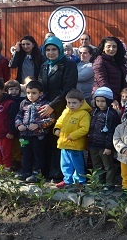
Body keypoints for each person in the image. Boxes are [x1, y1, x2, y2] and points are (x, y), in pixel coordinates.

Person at [39, 36, 78, 181]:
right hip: (45, 108)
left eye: (54, 49)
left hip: (61, 108)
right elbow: (40, 86)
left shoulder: (68, 64)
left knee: (59, 140)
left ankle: (58, 173)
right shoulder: (44, 65)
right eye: (48, 50)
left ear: (60, 49)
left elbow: (68, 88)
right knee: (45, 140)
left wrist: (52, 106)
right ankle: (44, 171)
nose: (51, 53)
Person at [15, 80, 56, 182]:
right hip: (24, 134)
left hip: (39, 135)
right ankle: (26, 171)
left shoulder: (45, 104)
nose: (30, 95)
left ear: (40, 93)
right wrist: (19, 125)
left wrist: (38, 125)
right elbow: (18, 116)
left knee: (38, 154)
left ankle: (38, 173)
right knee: (25, 153)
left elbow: (51, 119)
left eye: (34, 93)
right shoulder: (24, 103)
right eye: (28, 93)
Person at [53, 89, 91, 189]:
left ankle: (79, 181)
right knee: (65, 164)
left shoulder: (84, 114)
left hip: (75, 144)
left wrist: (73, 135)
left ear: (81, 102)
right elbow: (59, 121)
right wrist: (57, 129)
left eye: (74, 103)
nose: (71, 105)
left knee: (77, 164)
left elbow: (84, 128)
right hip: (64, 143)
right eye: (69, 102)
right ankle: (67, 180)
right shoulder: (66, 111)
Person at [88, 87, 121, 191]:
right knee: (96, 165)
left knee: (108, 165)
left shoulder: (112, 114)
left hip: (105, 145)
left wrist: (108, 146)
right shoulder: (94, 112)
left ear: (108, 101)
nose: (100, 103)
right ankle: (98, 182)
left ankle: (109, 183)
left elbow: (112, 131)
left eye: (103, 101)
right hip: (94, 144)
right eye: (97, 101)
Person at [92, 36, 127, 104]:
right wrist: (112, 99)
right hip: (103, 98)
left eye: (114, 46)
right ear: (103, 49)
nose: (111, 49)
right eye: (108, 46)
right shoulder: (100, 61)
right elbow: (102, 82)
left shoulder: (117, 61)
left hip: (117, 97)